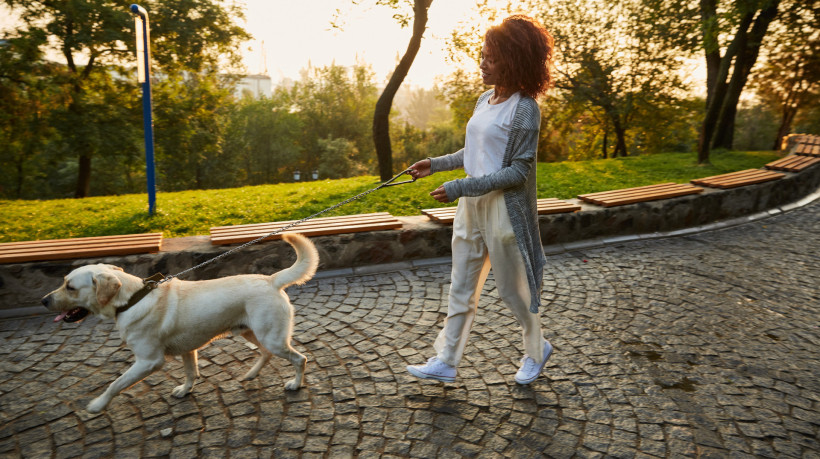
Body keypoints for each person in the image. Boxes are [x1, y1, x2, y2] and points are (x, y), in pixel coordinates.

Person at [406, 15, 554, 385]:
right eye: (482, 55)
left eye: (490, 57)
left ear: (513, 59)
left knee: (513, 291)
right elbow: (474, 151)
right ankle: (446, 360)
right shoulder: (484, 99)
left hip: (505, 210)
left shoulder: (525, 109)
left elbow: (518, 172)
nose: (482, 63)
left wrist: (460, 187)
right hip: (471, 207)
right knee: (461, 285)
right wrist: (436, 164)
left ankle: (537, 350)